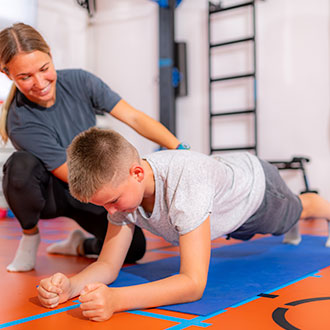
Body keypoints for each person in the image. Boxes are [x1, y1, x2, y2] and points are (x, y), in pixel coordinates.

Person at [37, 127, 330, 322]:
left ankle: (321, 207)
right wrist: (70, 286)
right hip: (223, 205)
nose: (110, 211)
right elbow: (108, 266)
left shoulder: (185, 184)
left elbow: (193, 284)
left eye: (112, 201)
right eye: (102, 205)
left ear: (137, 172)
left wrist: (116, 299)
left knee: (299, 210)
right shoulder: (123, 192)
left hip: (258, 190)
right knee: (277, 222)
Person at [0, 23, 184, 272]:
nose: (40, 82)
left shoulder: (80, 81)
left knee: (134, 250)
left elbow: (133, 117)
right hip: (53, 194)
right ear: (7, 74)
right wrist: (130, 193)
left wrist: (180, 148)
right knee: (20, 168)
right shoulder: (19, 120)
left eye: (44, 69)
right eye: (25, 77)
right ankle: (30, 235)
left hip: (90, 186)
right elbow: (70, 174)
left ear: (51, 57)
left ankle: (80, 245)